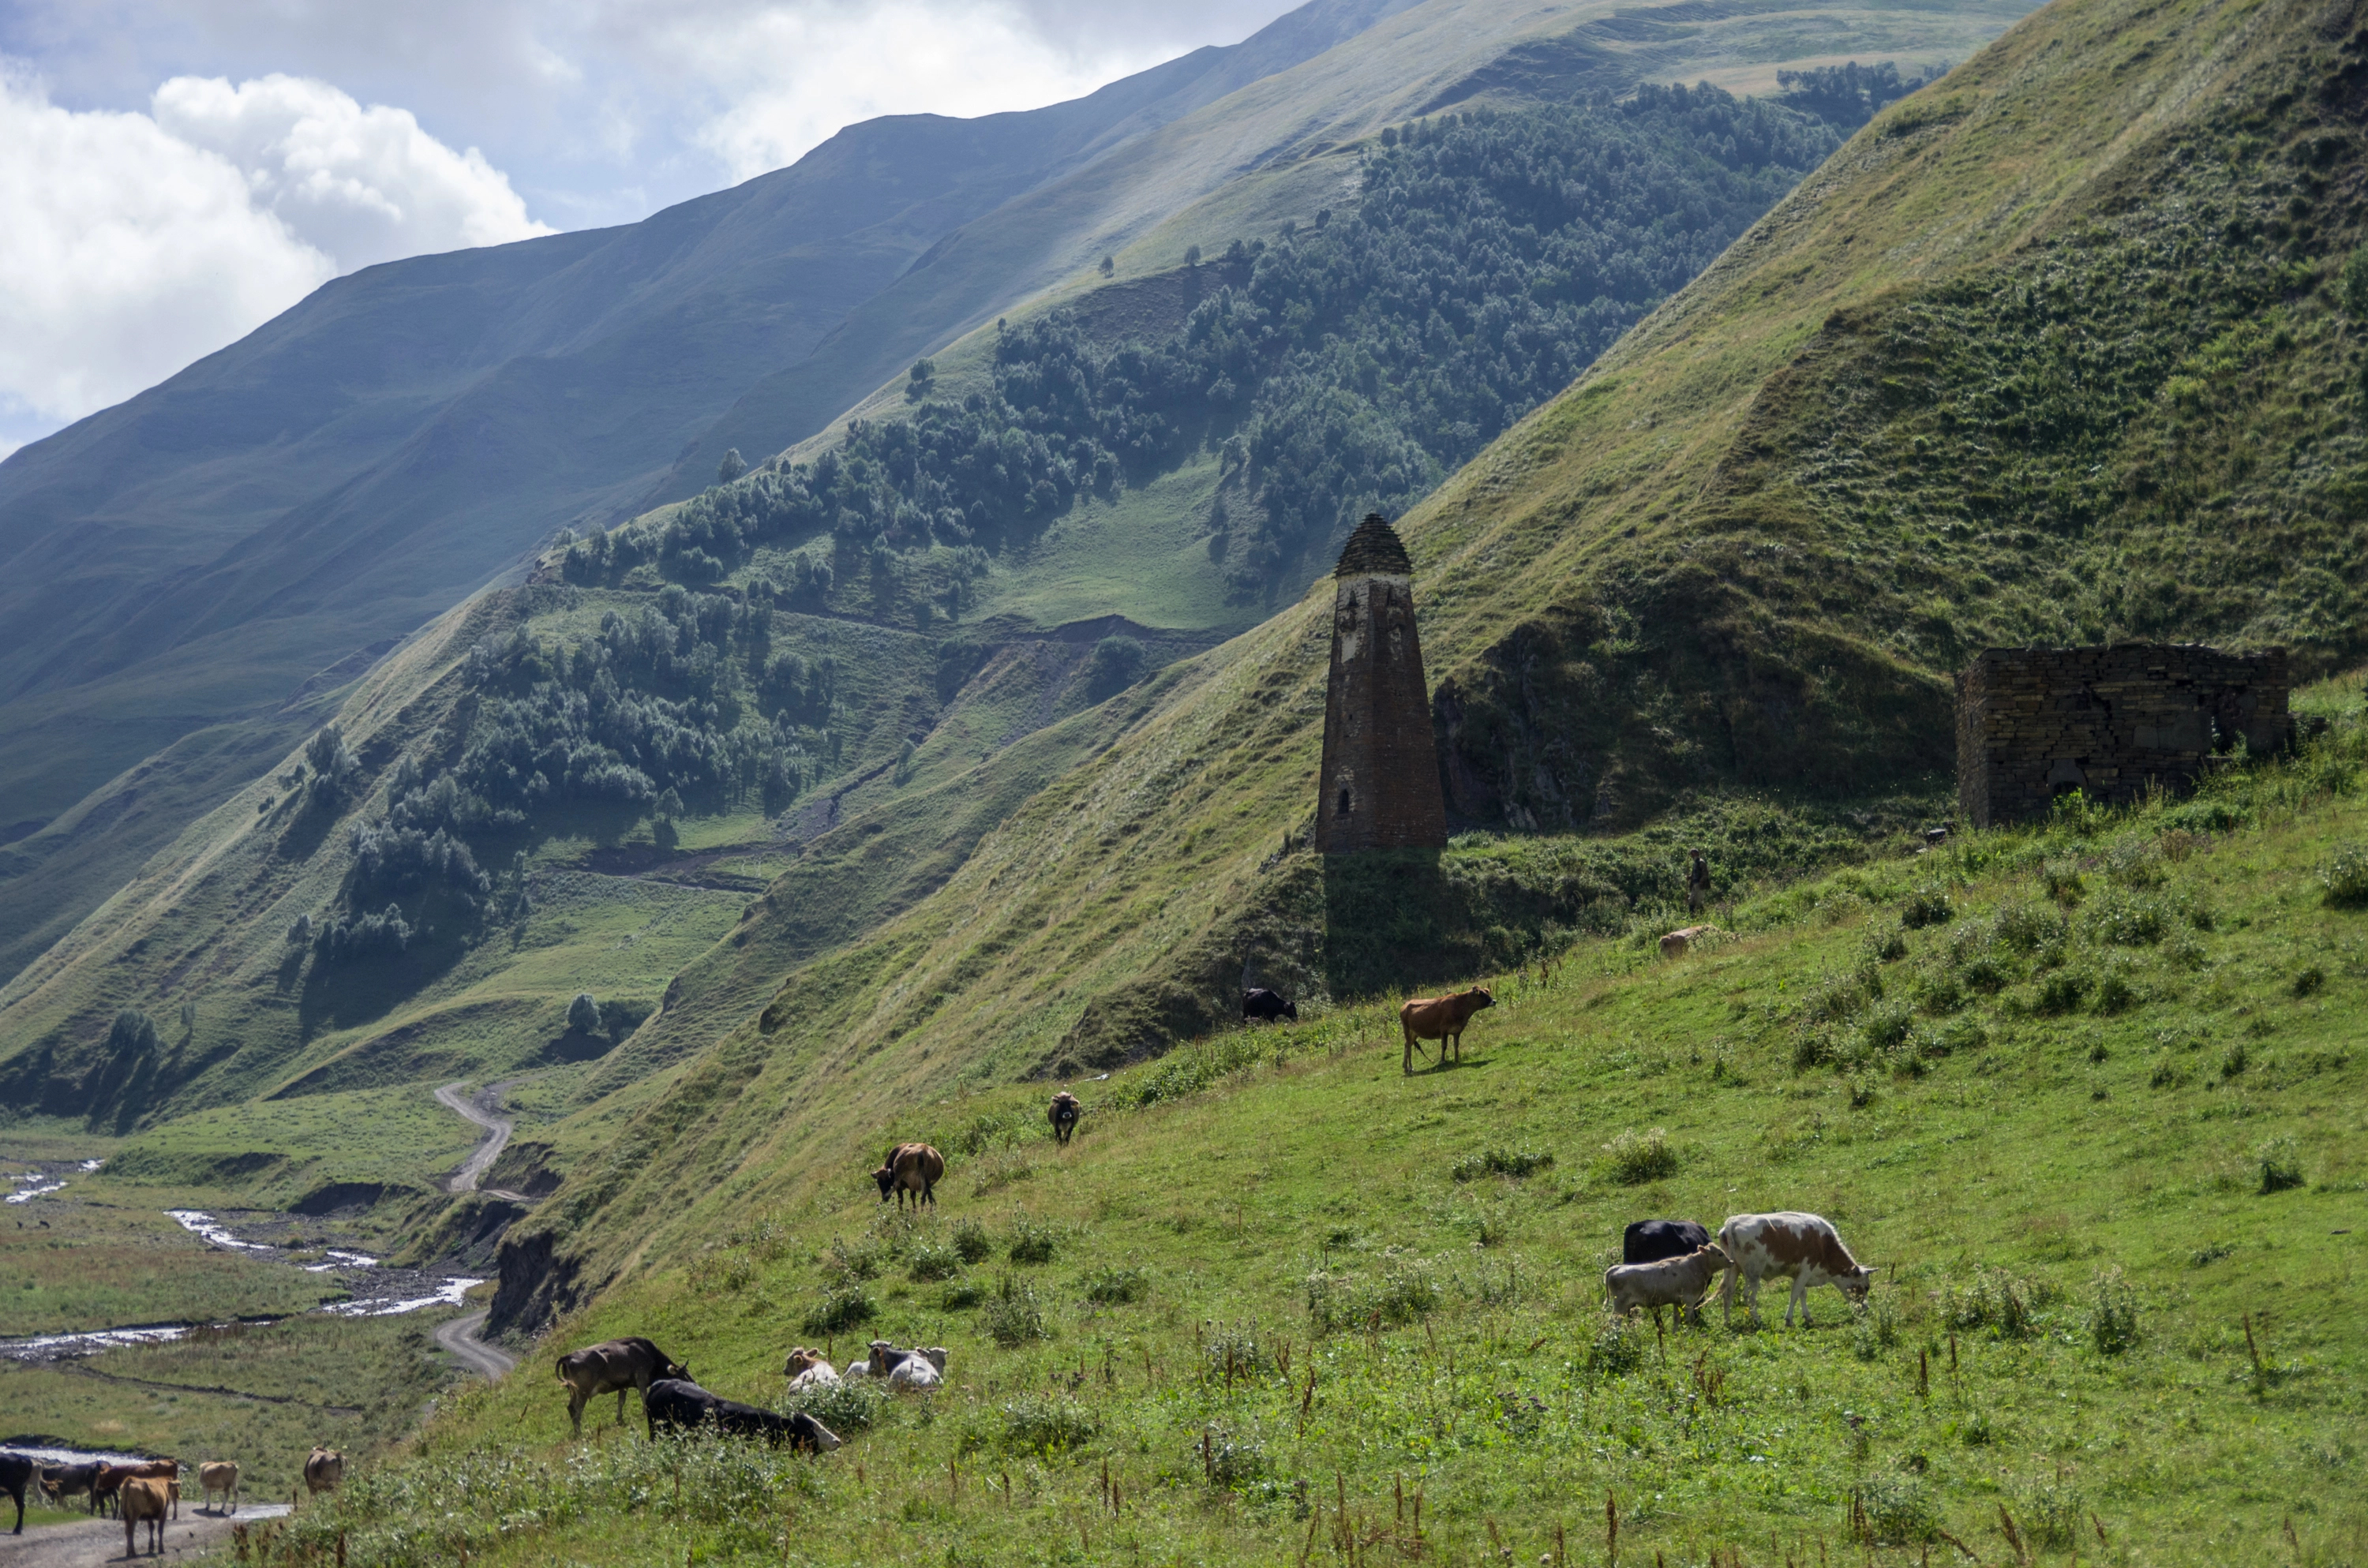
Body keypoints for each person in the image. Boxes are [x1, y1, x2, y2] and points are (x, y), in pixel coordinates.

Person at [1686, 849, 1711, 915]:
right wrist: (1690, 877)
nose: (1692, 855)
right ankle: (1691, 915)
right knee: (1691, 900)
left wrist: (1701, 881)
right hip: (1694, 884)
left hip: (1700, 885)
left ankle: (1701, 916)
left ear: (1696, 854)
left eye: (1692, 854)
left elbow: (1705, 874)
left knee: (1698, 901)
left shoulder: (1701, 862)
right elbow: (1695, 874)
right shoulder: (1695, 863)